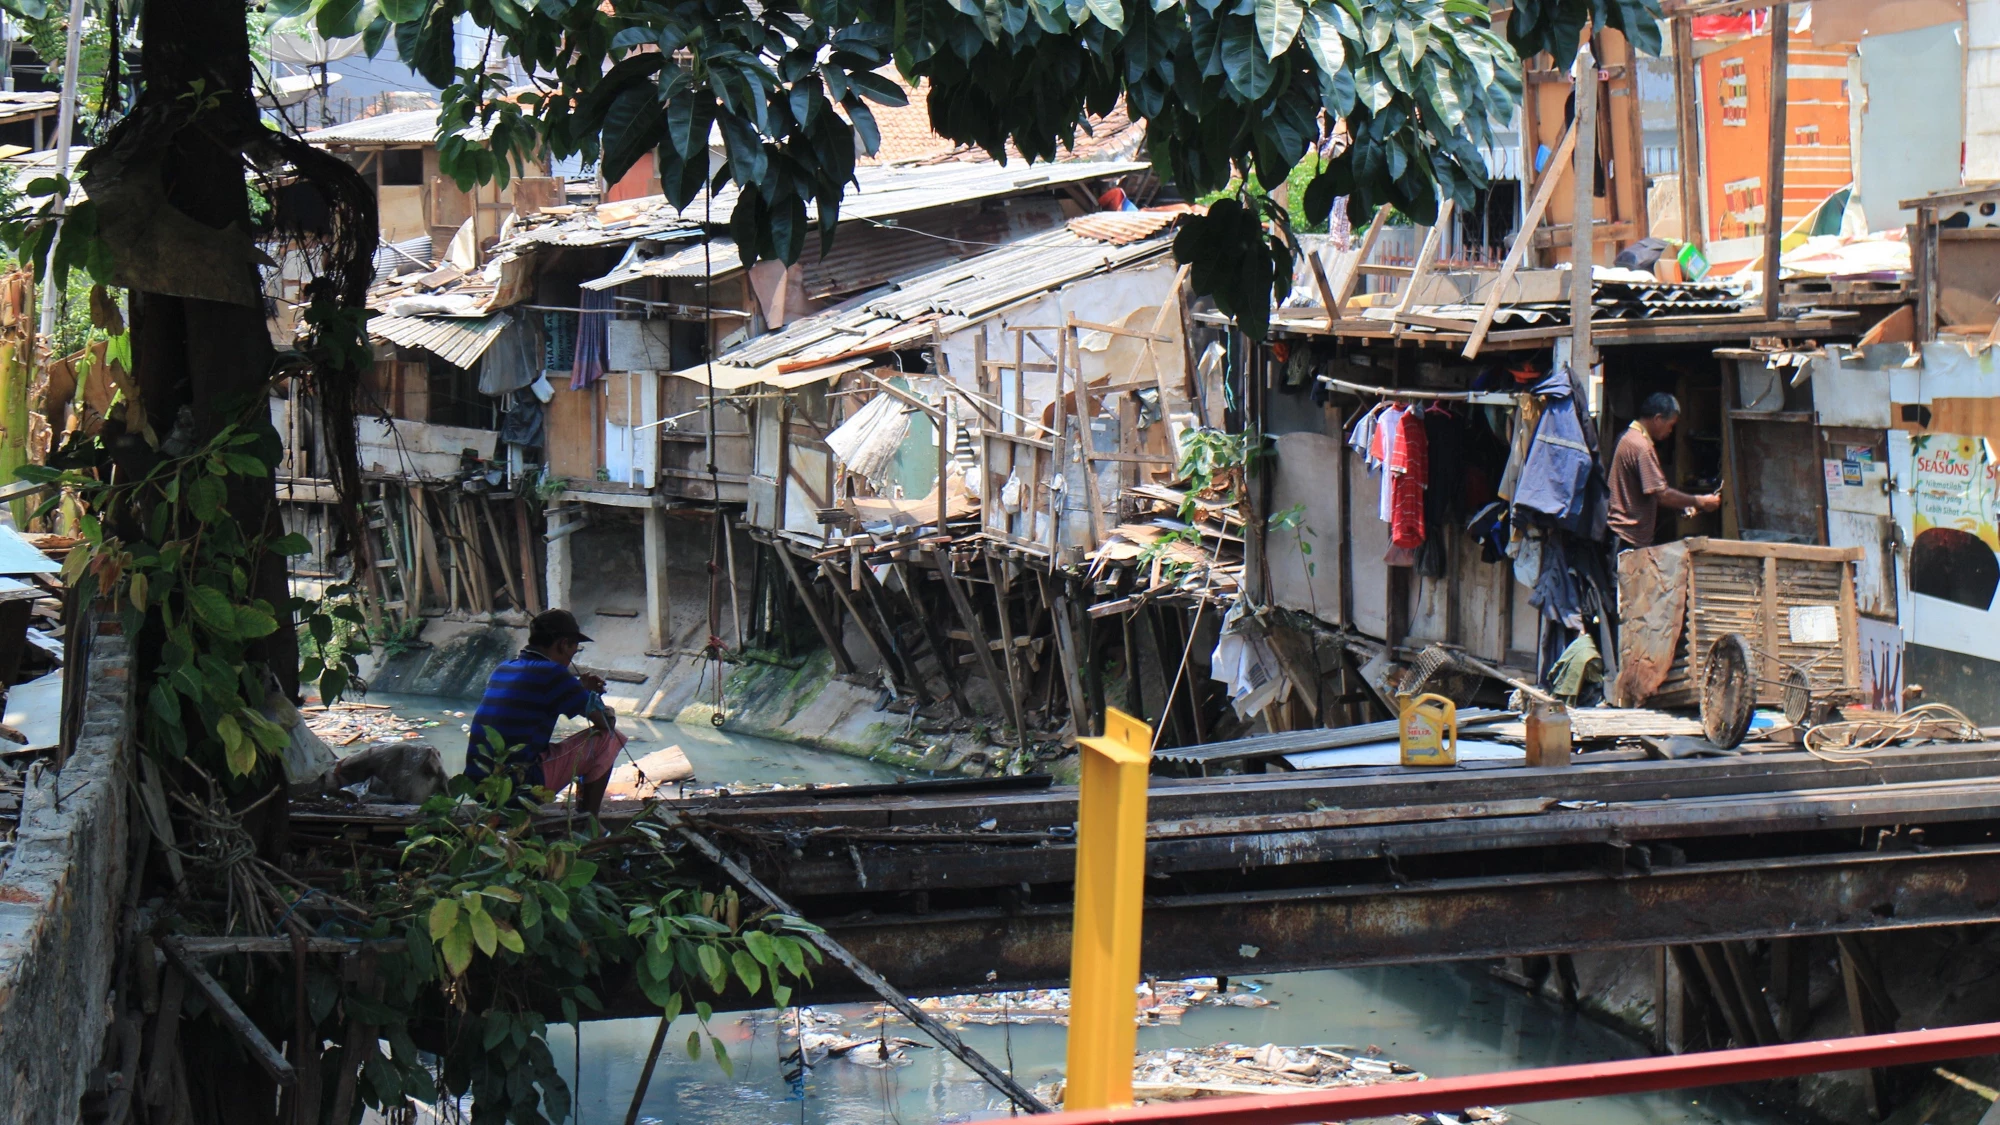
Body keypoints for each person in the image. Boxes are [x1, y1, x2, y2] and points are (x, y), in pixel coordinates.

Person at [465, 609, 618, 813]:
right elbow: (604, 722)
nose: (570, 659)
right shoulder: (553, 673)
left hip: (479, 785)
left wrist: (577, 689)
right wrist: (597, 700)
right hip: (518, 789)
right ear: (563, 644)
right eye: (573, 652)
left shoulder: (504, 667)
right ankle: (589, 822)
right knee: (609, 739)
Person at [1608, 392, 1721, 550]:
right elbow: (1662, 495)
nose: (1670, 431)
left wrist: (1682, 505)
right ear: (1658, 419)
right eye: (1670, 425)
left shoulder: (1626, 437)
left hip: (1619, 533)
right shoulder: (1641, 446)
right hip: (1627, 537)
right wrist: (1700, 501)